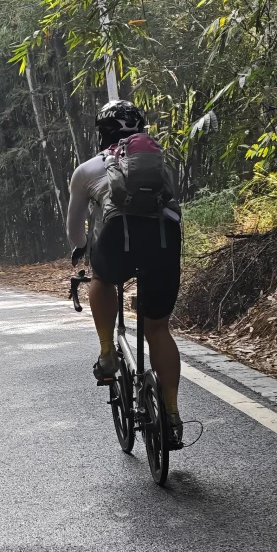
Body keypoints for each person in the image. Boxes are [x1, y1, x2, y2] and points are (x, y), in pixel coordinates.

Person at [66, 99, 184, 443]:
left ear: (101, 134)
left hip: (118, 240)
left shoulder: (87, 169)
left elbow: (75, 229)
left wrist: (83, 248)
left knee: (101, 280)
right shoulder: (162, 164)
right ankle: (172, 416)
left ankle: (107, 353)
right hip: (164, 242)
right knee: (158, 329)